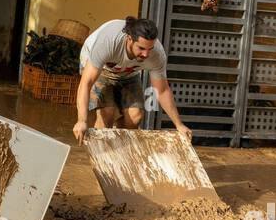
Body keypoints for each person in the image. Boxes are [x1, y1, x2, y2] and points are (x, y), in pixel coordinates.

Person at [73, 15, 190, 144]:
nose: (146, 54)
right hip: (101, 70)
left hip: (128, 73)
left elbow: (162, 91)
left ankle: (115, 142)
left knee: (135, 117)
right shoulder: (108, 42)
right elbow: (86, 83)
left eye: (149, 49)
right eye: (141, 48)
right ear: (129, 39)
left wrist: (179, 125)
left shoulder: (157, 54)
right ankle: (103, 156)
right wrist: (81, 121)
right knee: (107, 113)